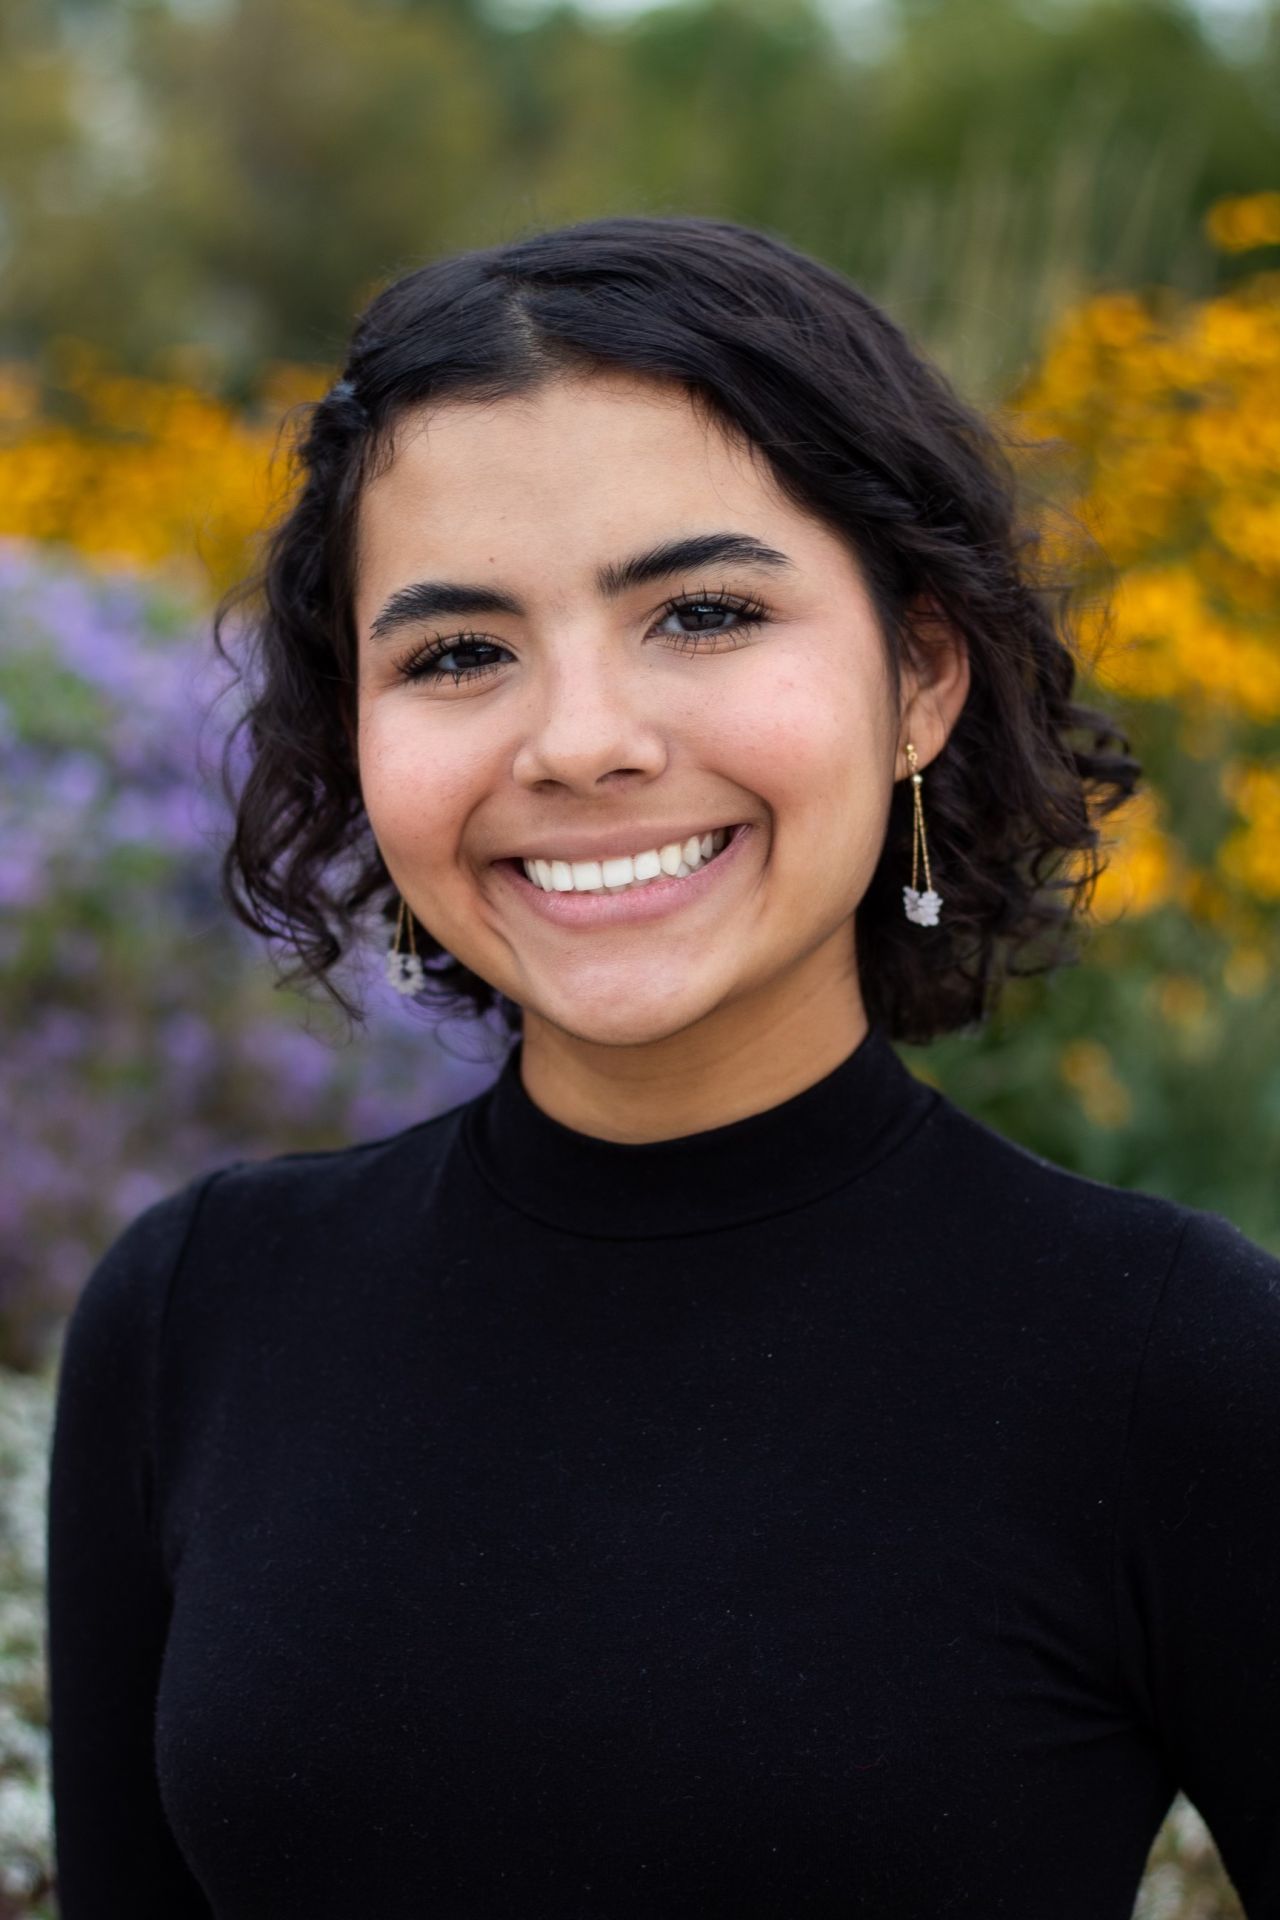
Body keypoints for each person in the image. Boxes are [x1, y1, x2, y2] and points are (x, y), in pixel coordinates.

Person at [45, 214, 1280, 1918]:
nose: (583, 743)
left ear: (919, 675)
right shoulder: (196, 1315)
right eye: (458, 653)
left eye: (700, 612)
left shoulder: (1172, 1362)